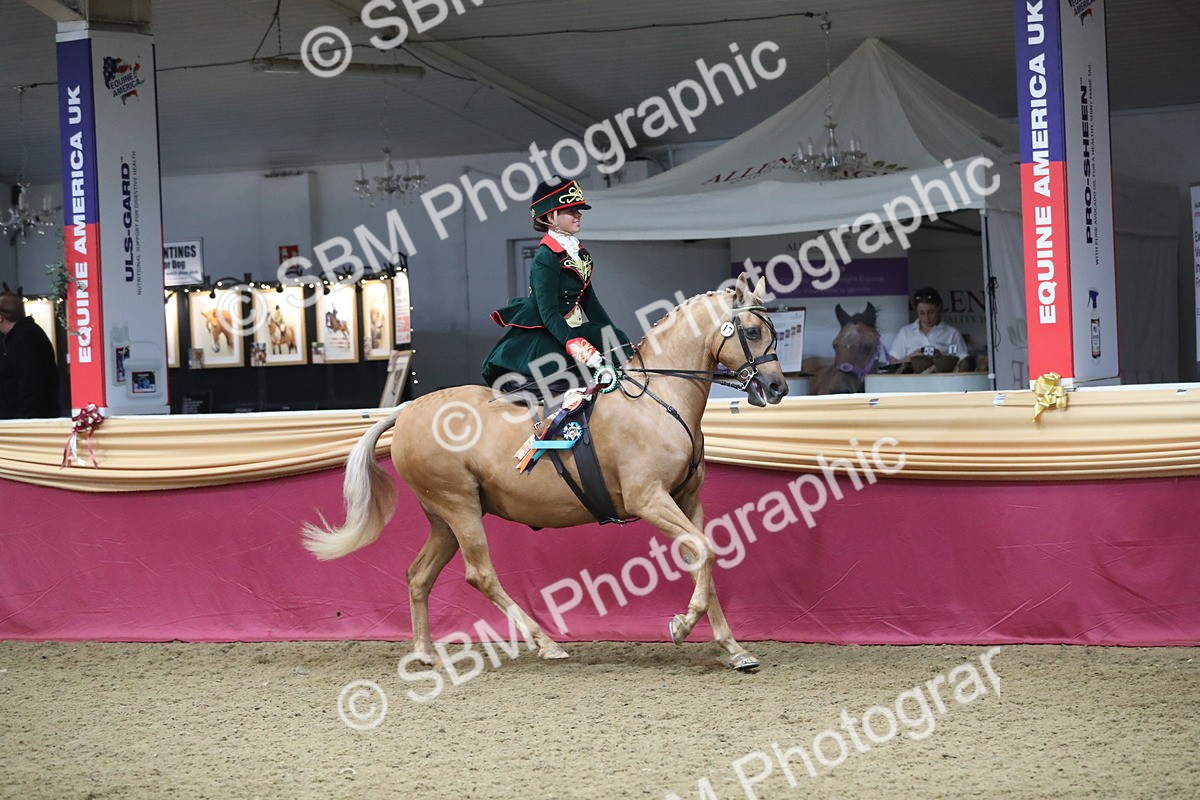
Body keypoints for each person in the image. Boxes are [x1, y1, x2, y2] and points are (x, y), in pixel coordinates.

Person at [481, 177, 632, 400]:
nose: (578, 215)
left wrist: (615, 338)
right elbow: (549, 312)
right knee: (565, 376)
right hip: (550, 331)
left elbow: (591, 303)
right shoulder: (546, 257)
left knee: (617, 344)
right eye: (571, 211)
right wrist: (577, 346)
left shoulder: (579, 253)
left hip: (573, 328)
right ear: (550, 217)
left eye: (578, 211)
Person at [0, 292, 61, 418]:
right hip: (30, 415)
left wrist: (24, 420)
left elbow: (30, 381)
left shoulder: (23, 337)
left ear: (1, 317)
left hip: (28, 418)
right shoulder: (26, 333)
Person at [889, 287, 967, 363]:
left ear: (939, 307)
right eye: (921, 313)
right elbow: (892, 363)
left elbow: (962, 362)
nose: (926, 318)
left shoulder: (952, 334)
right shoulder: (905, 332)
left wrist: (941, 358)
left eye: (931, 312)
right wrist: (910, 358)